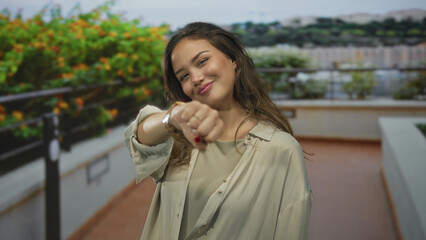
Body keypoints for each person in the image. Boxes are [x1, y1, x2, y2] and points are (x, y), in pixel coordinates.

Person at [124, 22, 312, 240]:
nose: (195, 78)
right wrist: (173, 117)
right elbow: (139, 136)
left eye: (202, 61)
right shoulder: (180, 138)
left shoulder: (282, 150)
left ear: (233, 59)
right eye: (183, 76)